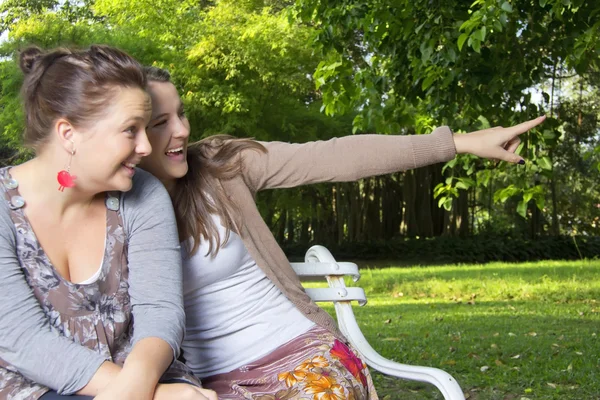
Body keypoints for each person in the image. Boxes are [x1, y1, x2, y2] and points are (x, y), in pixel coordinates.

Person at [139, 66, 545, 399]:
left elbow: (333, 155)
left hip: (302, 357)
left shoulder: (220, 167)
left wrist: (460, 142)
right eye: (162, 122)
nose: (182, 130)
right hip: (203, 387)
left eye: (182, 113)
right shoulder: (115, 212)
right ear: (131, 134)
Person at [0, 47, 216, 400]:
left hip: (146, 374)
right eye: (131, 130)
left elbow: (160, 312)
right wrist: (157, 395)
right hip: (35, 387)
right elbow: (23, 341)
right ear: (68, 134)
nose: (146, 146)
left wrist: (139, 382)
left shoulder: (144, 194)